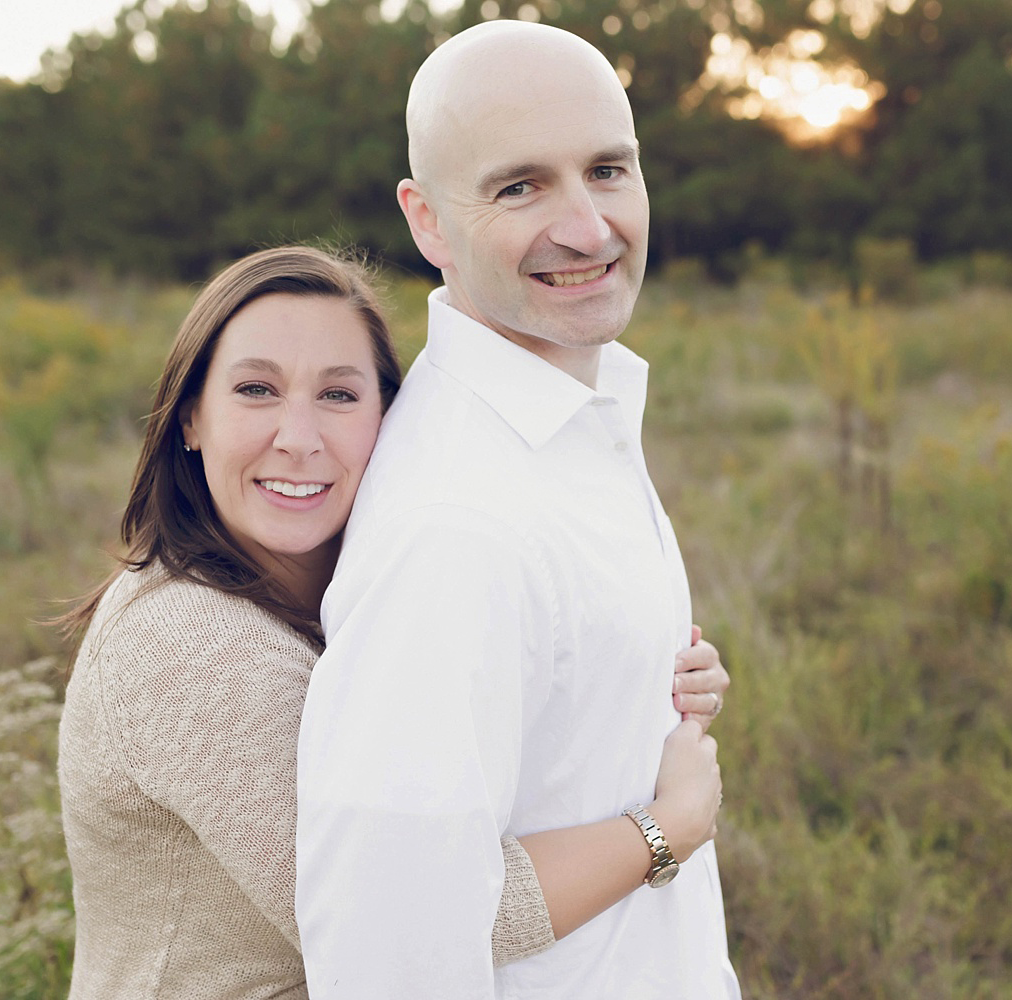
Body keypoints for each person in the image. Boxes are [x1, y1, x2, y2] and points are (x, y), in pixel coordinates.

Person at [56, 245, 729, 998]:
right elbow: (421, 907)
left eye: (339, 396)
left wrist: (645, 679)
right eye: (256, 390)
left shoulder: (372, 587)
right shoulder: (188, 644)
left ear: (391, 418)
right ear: (190, 419)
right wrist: (667, 827)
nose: (299, 437)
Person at [296, 21, 739, 999]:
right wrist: (670, 827)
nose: (588, 227)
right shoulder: (455, 521)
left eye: (609, 170)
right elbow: (391, 951)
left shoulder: (581, 418)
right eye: (520, 186)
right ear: (426, 222)